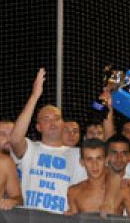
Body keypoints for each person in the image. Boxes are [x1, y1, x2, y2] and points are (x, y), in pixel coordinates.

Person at [8, 68, 84, 213]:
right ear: (38, 127)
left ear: (63, 123)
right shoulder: (30, 149)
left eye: (57, 118)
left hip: (62, 222)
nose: (53, 123)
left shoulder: (78, 154)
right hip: (30, 221)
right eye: (46, 119)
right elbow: (15, 138)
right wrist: (35, 96)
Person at [67, 139, 130, 218]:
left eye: (99, 159)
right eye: (89, 159)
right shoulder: (74, 192)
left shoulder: (123, 189)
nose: (95, 165)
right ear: (82, 162)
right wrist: (67, 219)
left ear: (106, 160)